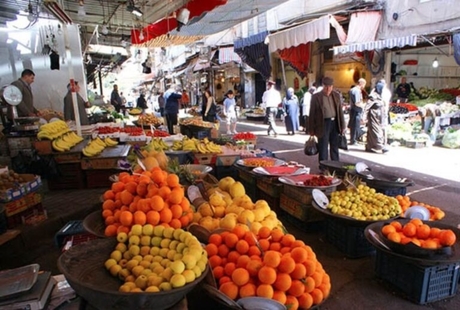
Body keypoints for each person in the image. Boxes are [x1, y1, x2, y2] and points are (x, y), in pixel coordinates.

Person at [308, 77, 346, 163]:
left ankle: (336, 164)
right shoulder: (316, 97)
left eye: (330, 86)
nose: (328, 89)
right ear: (323, 86)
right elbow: (312, 114)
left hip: (335, 123)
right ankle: (323, 166)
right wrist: (311, 129)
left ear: (332, 86)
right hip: (322, 124)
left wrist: (342, 126)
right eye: (326, 87)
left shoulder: (336, 95)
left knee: (334, 146)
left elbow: (340, 111)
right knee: (323, 146)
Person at [363, 80, 389, 154]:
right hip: (374, 117)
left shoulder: (380, 96)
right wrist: (364, 117)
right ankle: (381, 146)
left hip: (380, 118)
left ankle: (369, 146)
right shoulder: (373, 96)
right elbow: (367, 107)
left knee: (373, 133)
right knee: (377, 132)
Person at [348, 78, 367, 145]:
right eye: (364, 85)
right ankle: (353, 140)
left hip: (352, 110)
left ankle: (352, 139)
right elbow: (357, 102)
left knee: (353, 125)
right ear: (361, 84)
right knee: (355, 126)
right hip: (356, 110)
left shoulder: (352, 90)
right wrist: (363, 105)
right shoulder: (357, 91)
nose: (364, 87)